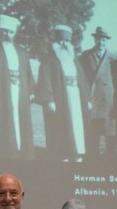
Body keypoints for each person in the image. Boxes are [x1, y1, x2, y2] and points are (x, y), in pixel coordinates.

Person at [0, 14, 35, 160]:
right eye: (4, 31)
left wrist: (30, 90)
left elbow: (27, 72)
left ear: (15, 33)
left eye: (10, 32)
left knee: (20, 121)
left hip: (19, 91)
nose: (7, 34)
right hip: (1, 91)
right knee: (3, 122)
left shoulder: (21, 50)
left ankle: (22, 152)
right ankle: (5, 152)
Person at [35, 24, 91, 163]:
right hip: (60, 98)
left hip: (76, 98)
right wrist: (49, 100)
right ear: (55, 41)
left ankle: (77, 153)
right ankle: (63, 154)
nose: (63, 44)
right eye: (61, 40)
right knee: (61, 125)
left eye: (66, 41)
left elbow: (83, 80)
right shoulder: (49, 59)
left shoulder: (74, 59)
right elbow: (45, 79)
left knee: (77, 125)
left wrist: (88, 99)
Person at [79, 26, 115, 157]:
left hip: (108, 98)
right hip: (92, 97)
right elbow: (81, 77)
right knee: (93, 129)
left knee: (108, 129)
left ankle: (109, 157)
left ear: (107, 41)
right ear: (95, 39)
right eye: (99, 39)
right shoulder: (85, 55)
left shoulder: (112, 58)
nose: (101, 42)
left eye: (104, 40)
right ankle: (92, 157)